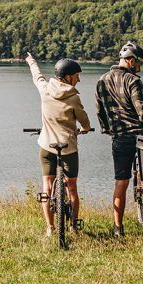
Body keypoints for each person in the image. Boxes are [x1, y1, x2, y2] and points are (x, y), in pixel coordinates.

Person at [26, 52, 92, 236]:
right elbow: (83, 119)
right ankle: (73, 227)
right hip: (68, 148)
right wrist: (86, 128)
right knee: (71, 187)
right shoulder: (73, 97)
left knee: (47, 186)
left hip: (47, 146)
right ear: (68, 77)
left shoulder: (45, 89)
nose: (78, 80)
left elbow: (36, 76)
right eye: (77, 76)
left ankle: (50, 228)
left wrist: (31, 61)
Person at [95, 41, 143, 238]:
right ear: (130, 61)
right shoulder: (133, 81)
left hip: (120, 138)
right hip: (139, 135)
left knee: (121, 181)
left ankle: (118, 228)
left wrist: (108, 130)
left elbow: (100, 112)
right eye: (139, 65)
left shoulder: (102, 81)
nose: (139, 69)